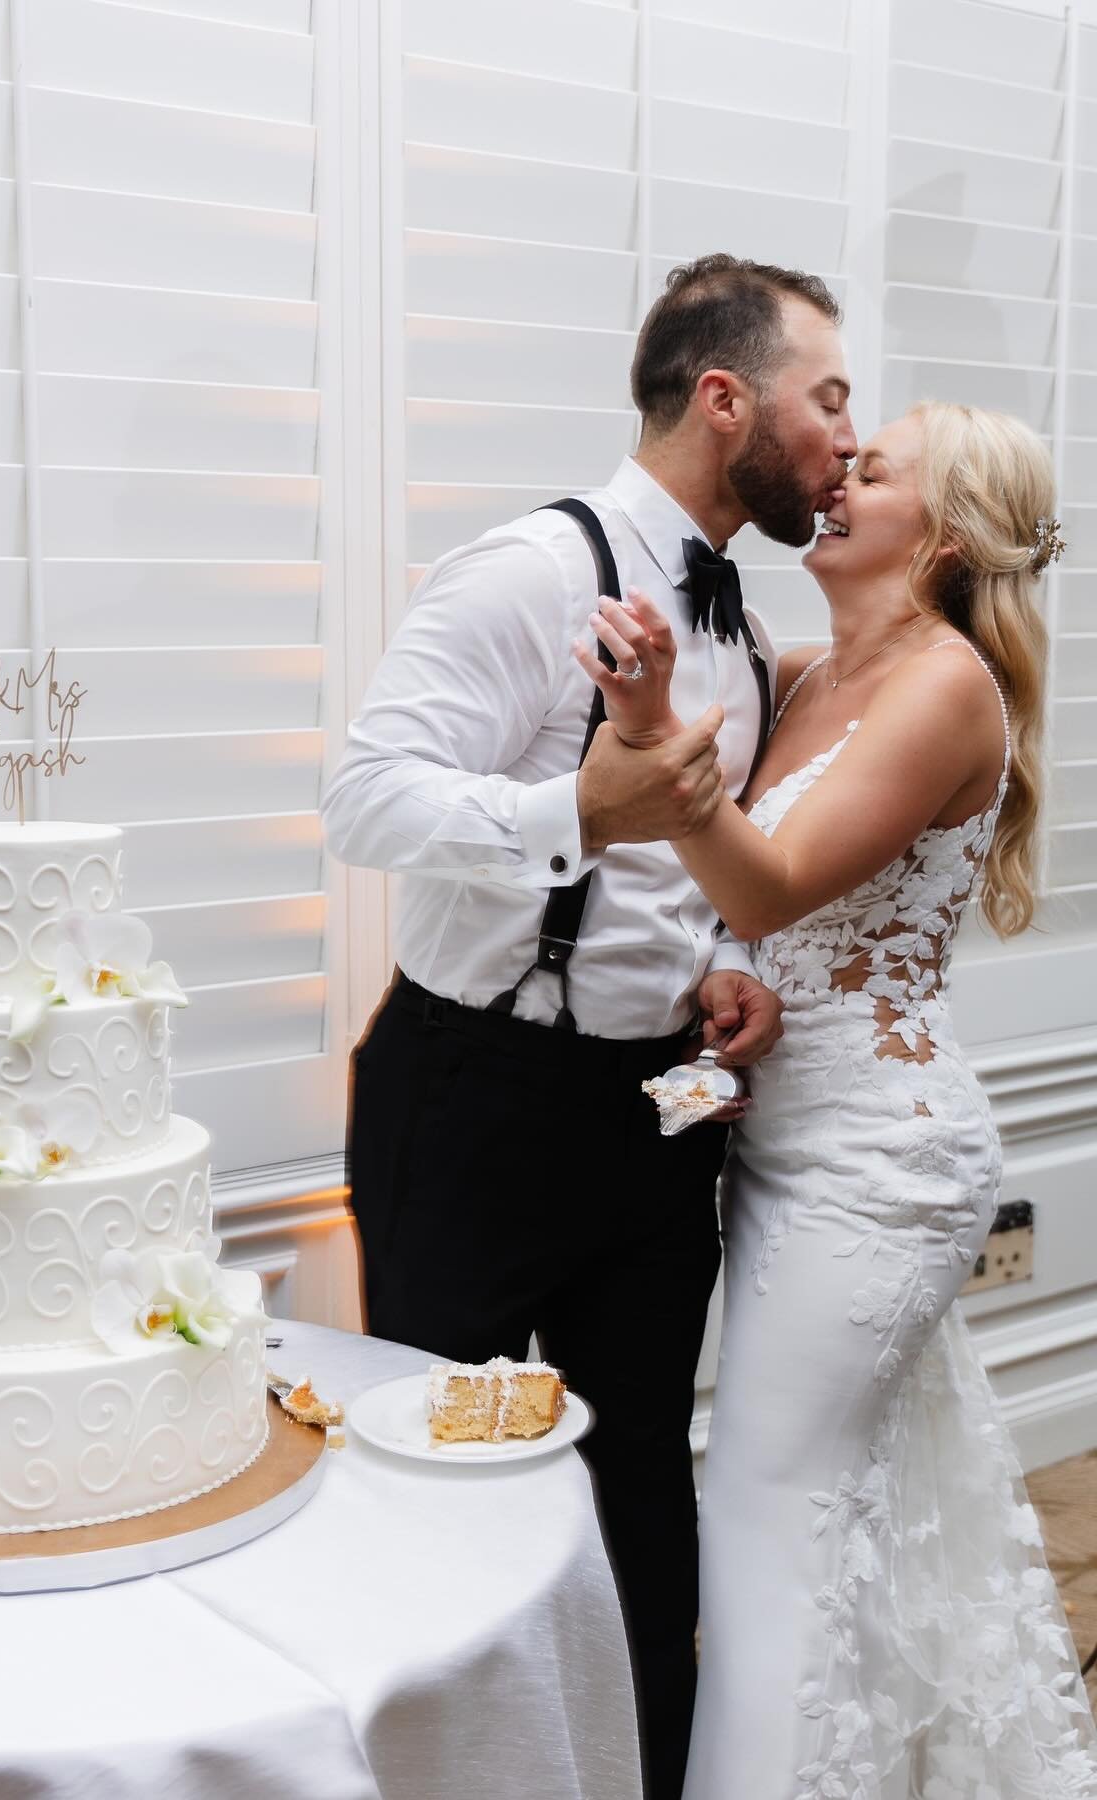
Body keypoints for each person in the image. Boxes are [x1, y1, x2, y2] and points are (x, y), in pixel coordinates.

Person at [321, 254, 856, 1800]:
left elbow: (704, 864)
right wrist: (574, 806)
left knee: (639, 1488)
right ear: (723, 399)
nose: (840, 435)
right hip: (474, 1099)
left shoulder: (743, 630)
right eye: (825, 398)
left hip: (657, 1112)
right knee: (443, 1481)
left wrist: (728, 956)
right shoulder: (529, 574)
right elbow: (362, 799)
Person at [576, 401, 1097, 1795]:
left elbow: (768, 879)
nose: (839, 478)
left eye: (874, 470)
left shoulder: (942, 687)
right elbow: (754, 922)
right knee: (821, 1511)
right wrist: (723, 978)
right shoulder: (808, 676)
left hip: (881, 1161)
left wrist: (653, 738)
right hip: (785, 1149)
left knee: (765, 1511)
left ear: (948, 535)